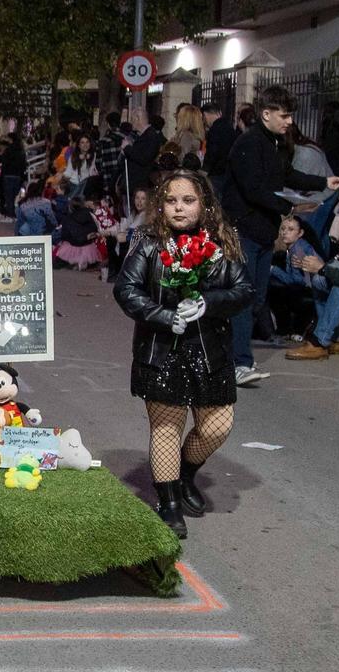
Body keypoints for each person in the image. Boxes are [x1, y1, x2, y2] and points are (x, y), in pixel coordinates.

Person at [113, 169, 252, 538]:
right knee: (166, 428)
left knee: (217, 425)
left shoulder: (223, 240)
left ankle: (186, 474)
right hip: (162, 350)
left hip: (210, 350)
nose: (178, 208)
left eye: (188, 200)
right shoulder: (147, 240)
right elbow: (126, 289)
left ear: (204, 203)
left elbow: (243, 291)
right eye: (171, 201)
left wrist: (209, 302)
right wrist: (163, 316)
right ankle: (169, 501)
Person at [222, 85, 339, 385]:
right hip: (243, 231)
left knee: (257, 297)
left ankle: (228, 354)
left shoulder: (275, 143)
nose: (289, 121)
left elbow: (286, 175)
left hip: (263, 232)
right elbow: (254, 189)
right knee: (244, 296)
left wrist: (323, 182)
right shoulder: (248, 144)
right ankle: (239, 362)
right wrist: (290, 204)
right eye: (284, 115)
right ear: (266, 114)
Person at [201, 103, 235, 197]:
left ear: (205, 115)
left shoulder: (215, 129)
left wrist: (205, 170)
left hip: (216, 173)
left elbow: (213, 152)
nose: (204, 121)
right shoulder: (229, 126)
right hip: (227, 171)